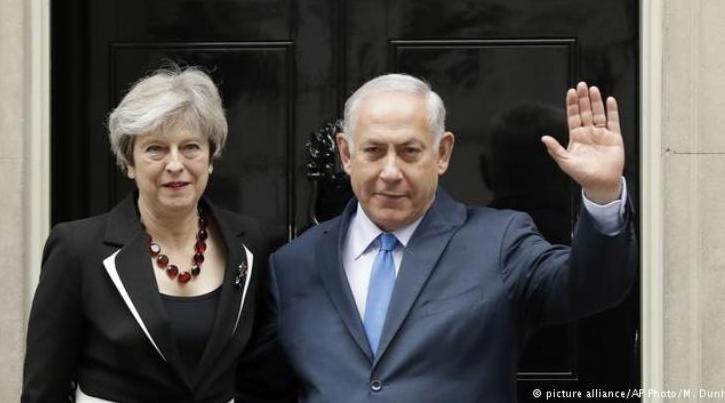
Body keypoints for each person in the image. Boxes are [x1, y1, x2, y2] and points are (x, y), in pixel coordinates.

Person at [267, 74, 636, 402]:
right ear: (346, 154)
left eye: (409, 151)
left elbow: (590, 286)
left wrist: (602, 195)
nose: (391, 171)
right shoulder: (293, 264)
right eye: (374, 151)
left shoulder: (499, 242)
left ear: (442, 153)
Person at [22, 66, 293, 402]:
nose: (175, 164)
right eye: (155, 149)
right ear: (128, 163)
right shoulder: (77, 250)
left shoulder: (250, 242)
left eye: (191, 147)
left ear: (210, 158)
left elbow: (262, 376)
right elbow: (43, 389)